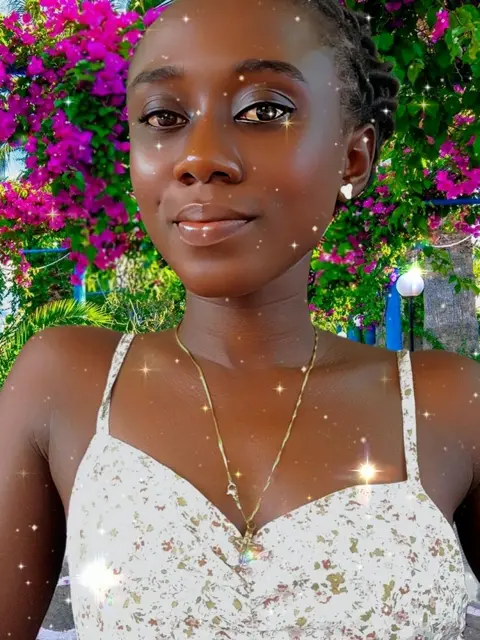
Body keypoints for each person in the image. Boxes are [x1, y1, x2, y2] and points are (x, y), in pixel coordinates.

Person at [1, 0, 479, 637]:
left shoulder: (451, 406)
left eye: (265, 111)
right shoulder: (63, 384)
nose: (199, 158)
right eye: (163, 116)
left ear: (353, 158)